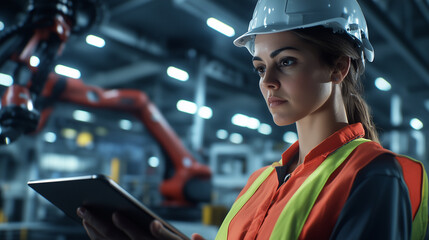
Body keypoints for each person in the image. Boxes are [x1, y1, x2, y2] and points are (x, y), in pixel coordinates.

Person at [77, 0, 428, 239]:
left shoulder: (373, 175)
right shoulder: (260, 182)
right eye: (261, 67)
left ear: (338, 67)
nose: (267, 81)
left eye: (286, 61)